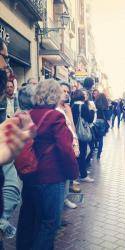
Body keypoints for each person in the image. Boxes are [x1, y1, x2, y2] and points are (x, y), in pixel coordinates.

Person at [16, 79, 79, 250]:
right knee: (48, 223)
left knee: (28, 220)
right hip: (51, 177)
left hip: (29, 175)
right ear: (55, 95)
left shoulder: (28, 115)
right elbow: (65, 149)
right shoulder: (55, 116)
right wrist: (73, 173)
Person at [57, 82, 80, 209]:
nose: (65, 94)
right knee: (61, 174)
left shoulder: (67, 108)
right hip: (61, 145)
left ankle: (64, 198)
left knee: (67, 174)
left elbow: (71, 126)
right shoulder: (53, 108)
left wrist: (75, 143)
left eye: (67, 92)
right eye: (63, 91)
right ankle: (60, 201)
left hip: (70, 143)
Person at [71, 90, 94, 182]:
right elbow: (89, 119)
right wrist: (92, 110)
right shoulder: (83, 106)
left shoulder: (72, 106)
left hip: (74, 132)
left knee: (76, 153)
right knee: (83, 153)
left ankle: (78, 172)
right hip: (81, 133)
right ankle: (83, 175)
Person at [94, 93, 110, 159]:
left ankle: (93, 149)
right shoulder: (106, 105)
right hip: (103, 122)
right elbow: (108, 116)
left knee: (94, 137)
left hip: (96, 121)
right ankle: (99, 154)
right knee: (101, 139)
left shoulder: (96, 104)